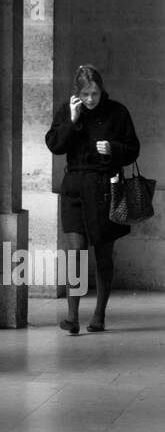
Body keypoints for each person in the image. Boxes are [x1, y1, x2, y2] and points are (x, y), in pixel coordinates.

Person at [45, 65, 140, 334]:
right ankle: (72, 316)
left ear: (101, 90)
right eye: (85, 94)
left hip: (105, 189)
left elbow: (133, 148)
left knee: (102, 254)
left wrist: (114, 149)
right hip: (74, 188)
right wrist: (73, 121)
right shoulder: (68, 110)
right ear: (78, 92)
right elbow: (54, 144)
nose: (90, 99)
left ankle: (99, 314)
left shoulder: (117, 112)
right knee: (74, 252)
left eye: (95, 93)